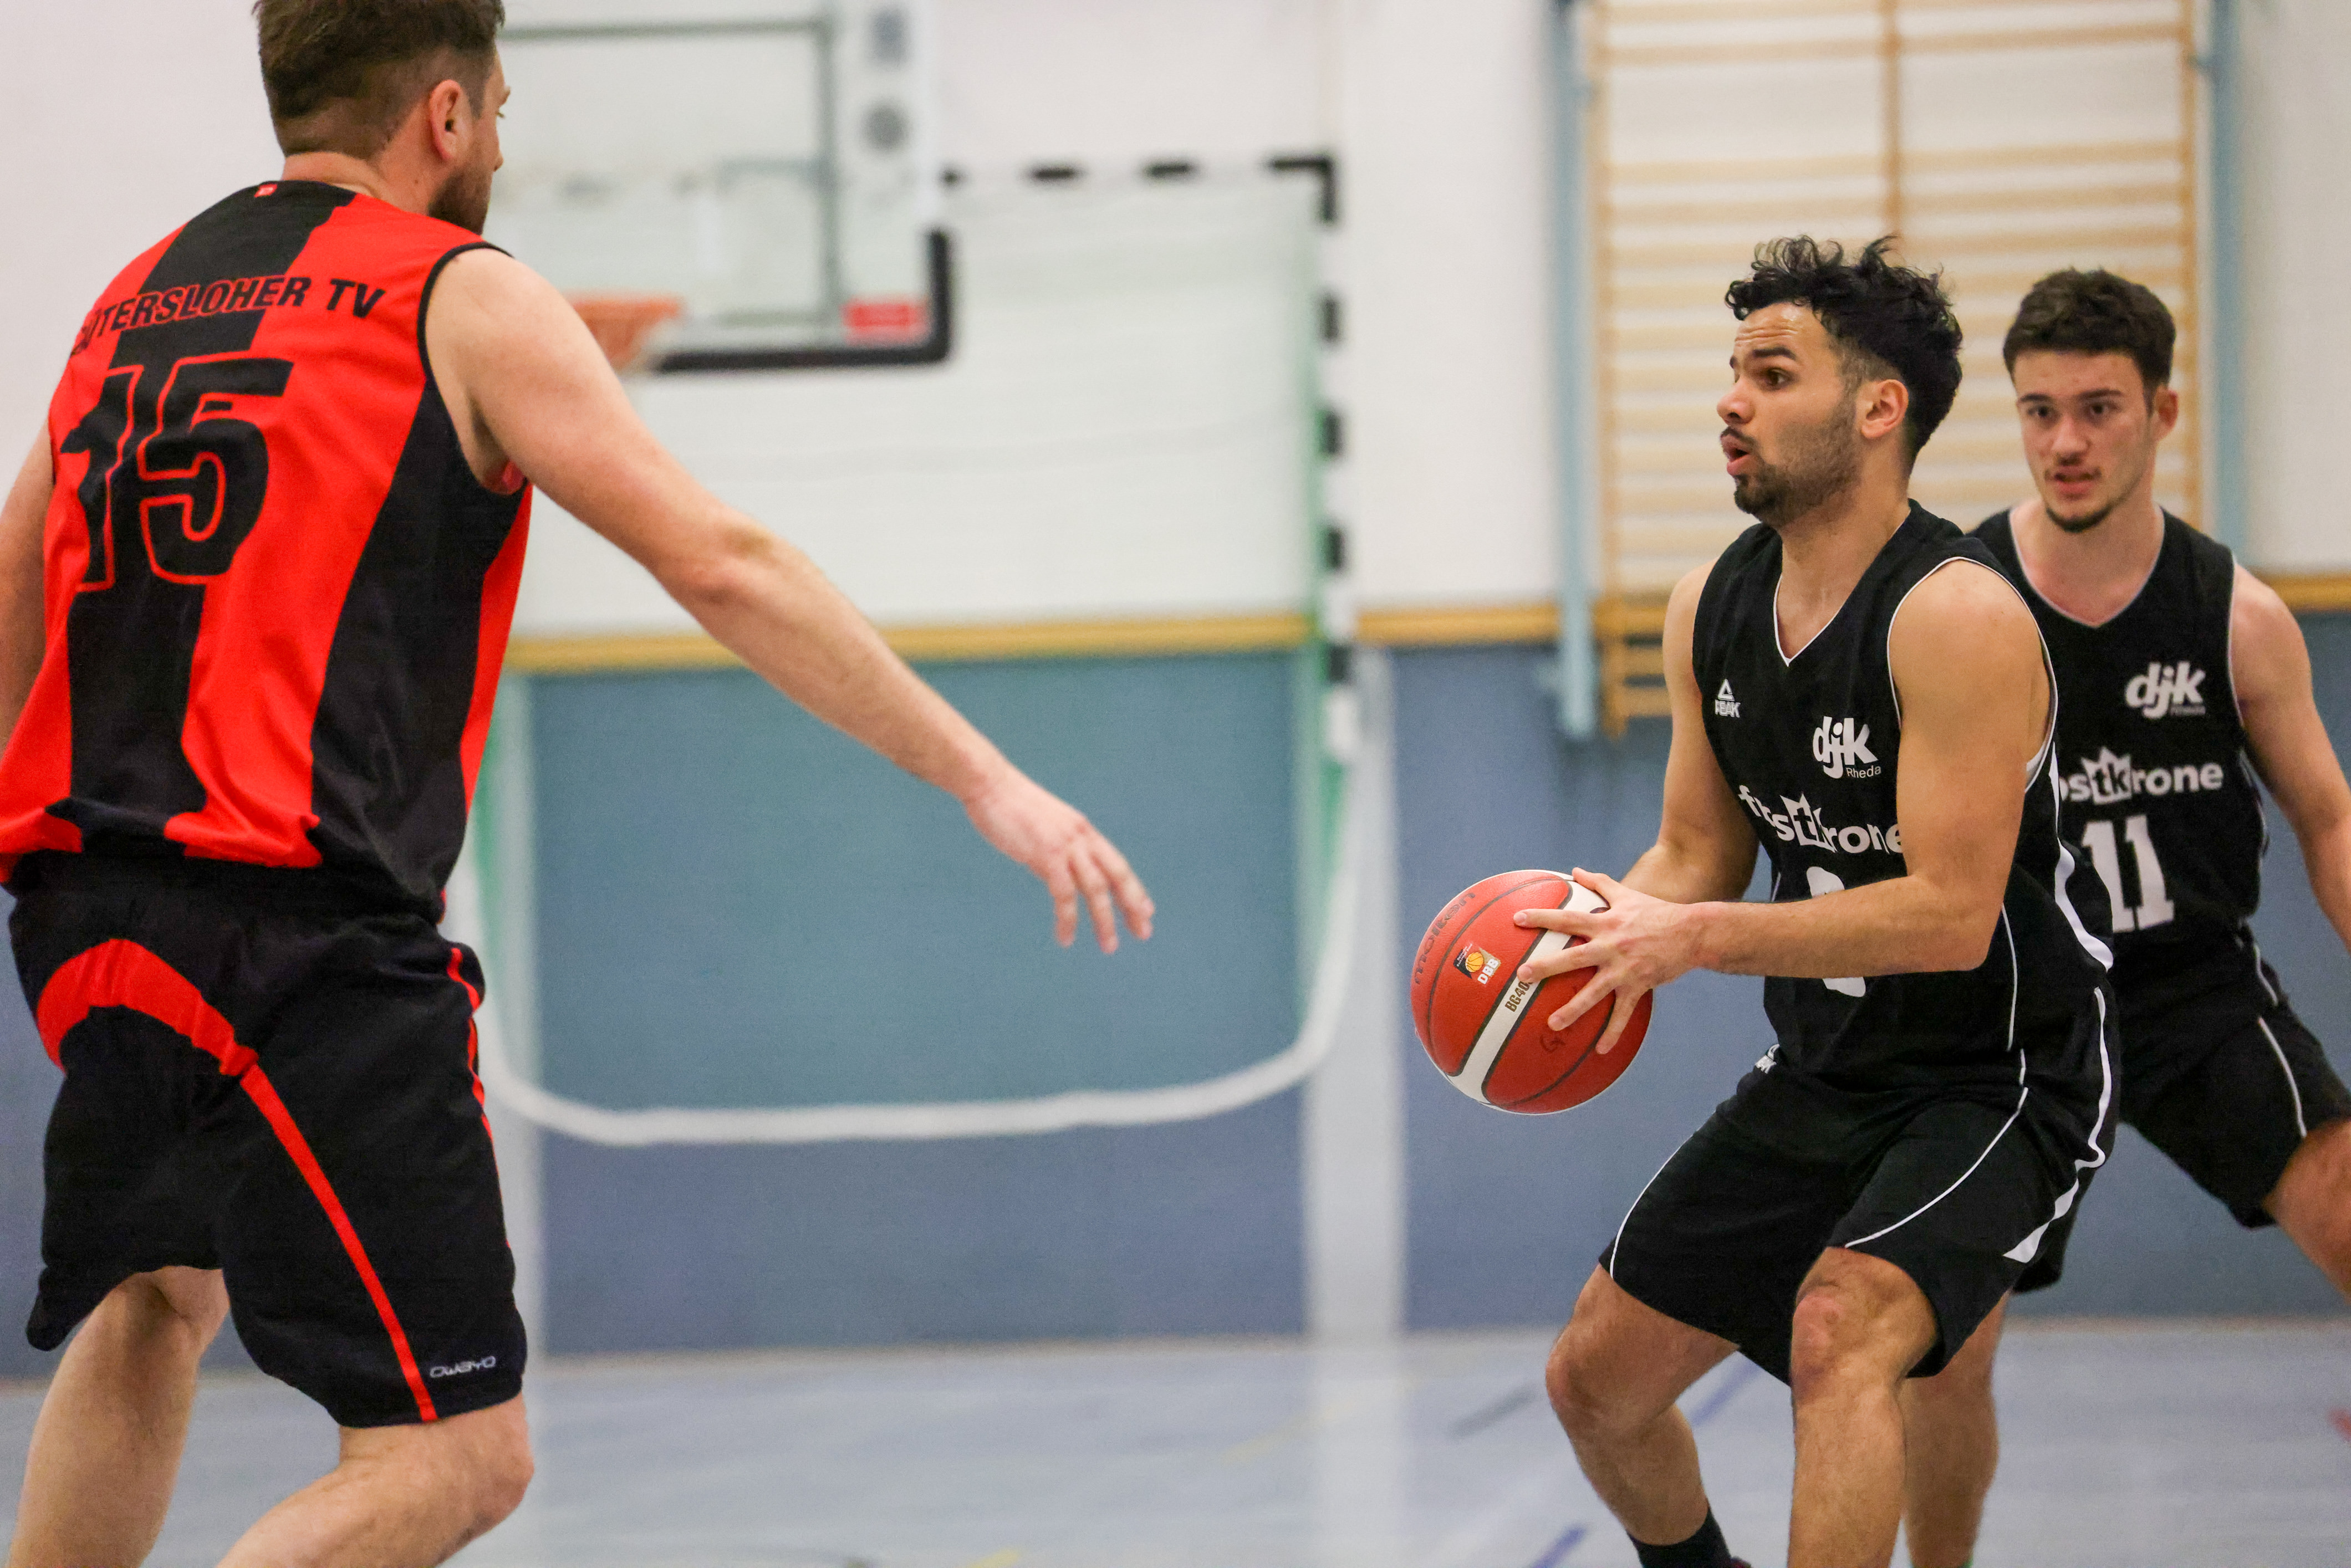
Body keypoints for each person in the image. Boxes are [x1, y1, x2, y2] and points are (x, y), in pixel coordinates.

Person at [0, 3, 1154, 1565]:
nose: (499, 142)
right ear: (449, 116)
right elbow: (723, 561)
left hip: (84, 921)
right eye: (501, 110)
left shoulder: (132, 298)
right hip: (295, 939)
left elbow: (16, 594)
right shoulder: (459, 292)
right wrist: (983, 775)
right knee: (457, 1453)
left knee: (154, 1296)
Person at [1516, 237, 2117, 1568]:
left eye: (1773, 374)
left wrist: (1692, 937)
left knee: (1841, 1330)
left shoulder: (1957, 614)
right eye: (1733, 371)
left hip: (2000, 1076)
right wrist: (1592, 932)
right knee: (1595, 1381)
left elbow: (1949, 915)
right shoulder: (1710, 606)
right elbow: (1694, 851)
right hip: (1826, 1068)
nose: (1730, 399)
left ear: (1878, 406)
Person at [1896, 268, 2351, 1568]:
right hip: (2015, 1018)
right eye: (2039, 412)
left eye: (2098, 409)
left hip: (2191, 993)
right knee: (1944, 1344)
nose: (2066, 442)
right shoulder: (1958, 605)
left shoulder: (2234, 616)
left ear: (2162, 412)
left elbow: (2328, 818)